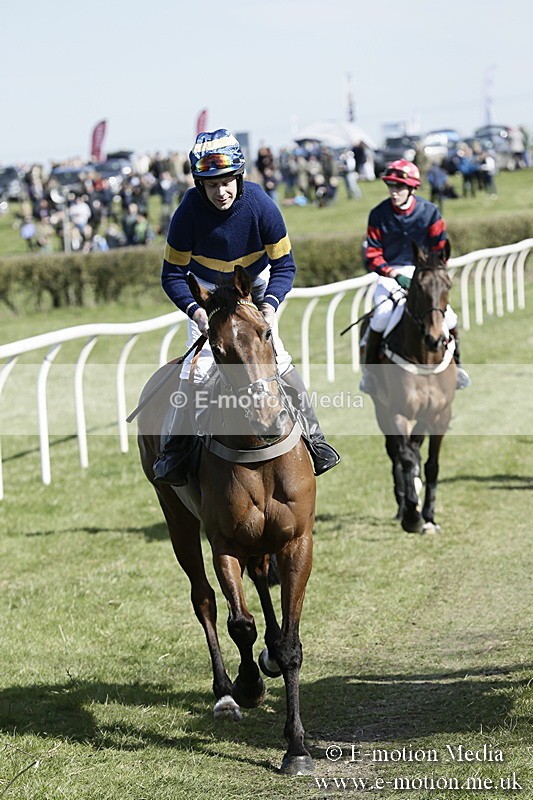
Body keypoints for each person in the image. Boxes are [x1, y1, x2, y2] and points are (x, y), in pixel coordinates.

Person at [153, 129, 340, 485]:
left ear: (239, 178)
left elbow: (285, 265)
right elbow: (172, 275)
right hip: (208, 296)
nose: (221, 192)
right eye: (211, 185)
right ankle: (175, 451)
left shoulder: (261, 205)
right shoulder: (186, 214)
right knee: (195, 371)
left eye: (227, 182)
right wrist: (197, 312)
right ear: (199, 185)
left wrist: (269, 306)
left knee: (279, 359)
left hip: (252, 289)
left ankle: (316, 440)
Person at [359, 159, 471, 396]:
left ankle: (457, 367)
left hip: (426, 272)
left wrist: (430, 274)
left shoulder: (430, 212)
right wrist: (393, 274)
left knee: (449, 318)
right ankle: (370, 375)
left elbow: (440, 250)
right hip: (390, 274)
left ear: (412, 188)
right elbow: (372, 254)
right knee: (380, 317)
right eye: (390, 186)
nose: (394, 191)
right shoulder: (378, 214)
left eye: (399, 187)